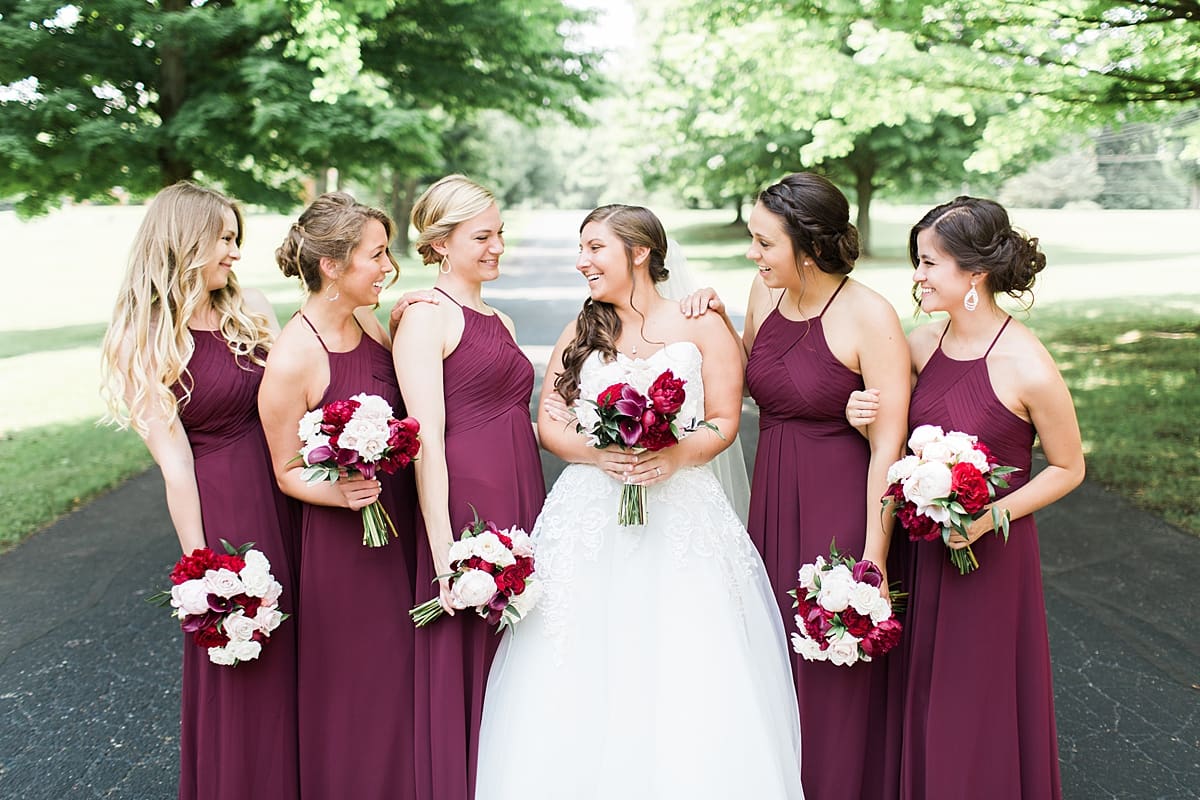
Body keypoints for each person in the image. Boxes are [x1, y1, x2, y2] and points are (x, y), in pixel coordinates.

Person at [475, 205, 803, 800]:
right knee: (575, 656)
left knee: (686, 657)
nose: (583, 262)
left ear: (641, 253)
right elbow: (550, 422)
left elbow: (725, 420)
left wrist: (674, 456)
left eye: (596, 248)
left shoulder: (701, 323)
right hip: (591, 512)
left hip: (681, 511)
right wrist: (598, 455)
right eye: (582, 249)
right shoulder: (584, 330)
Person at [681, 172, 910, 798]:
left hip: (842, 499)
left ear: (806, 246)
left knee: (831, 653)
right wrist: (716, 320)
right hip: (773, 493)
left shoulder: (870, 316)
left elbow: (888, 450)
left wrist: (874, 559)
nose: (753, 255)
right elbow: (756, 376)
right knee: (771, 647)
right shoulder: (764, 294)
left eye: (764, 243)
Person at [849, 196, 1084, 799]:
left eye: (929, 263)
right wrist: (860, 414)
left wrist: (989, 517)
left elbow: (1068, 466)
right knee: (921, 691)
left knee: (972, 704)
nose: (918, 276)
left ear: (974, 273)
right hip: (923, 552)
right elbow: (890, 436)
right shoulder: (921, 345)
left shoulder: (1027, 364)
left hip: (990, 556)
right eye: (917, 262)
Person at [99, 181, 300, 799]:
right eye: (225, 239)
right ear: (185, 242)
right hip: (227, 512)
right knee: (246, 656)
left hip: (290, 495)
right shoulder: (145, 338)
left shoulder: (254, 308)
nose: (236, 253)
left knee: (303, 648)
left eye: (237, 239)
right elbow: (176, 466)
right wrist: (204, 568)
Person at [257, 192, 417, 800]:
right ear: (331, 265)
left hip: (398, 523)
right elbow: (287, 470)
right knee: (361, 683)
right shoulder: (295, 356)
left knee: (404, 672)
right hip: (346, 546)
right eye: (376, 255)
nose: (388, 267)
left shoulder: (368, 319)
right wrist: (341, 492)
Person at [392, 175, 546, 800]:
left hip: (523, 499)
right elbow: (424, 445)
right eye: (483, 236)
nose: (497, 247)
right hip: (467, 516)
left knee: (526, 652)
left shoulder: (499, 316)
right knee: (472, 662)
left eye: (500, 233)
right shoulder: (426, 318)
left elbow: (521, 419)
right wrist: (443, 559)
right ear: (441, 242)